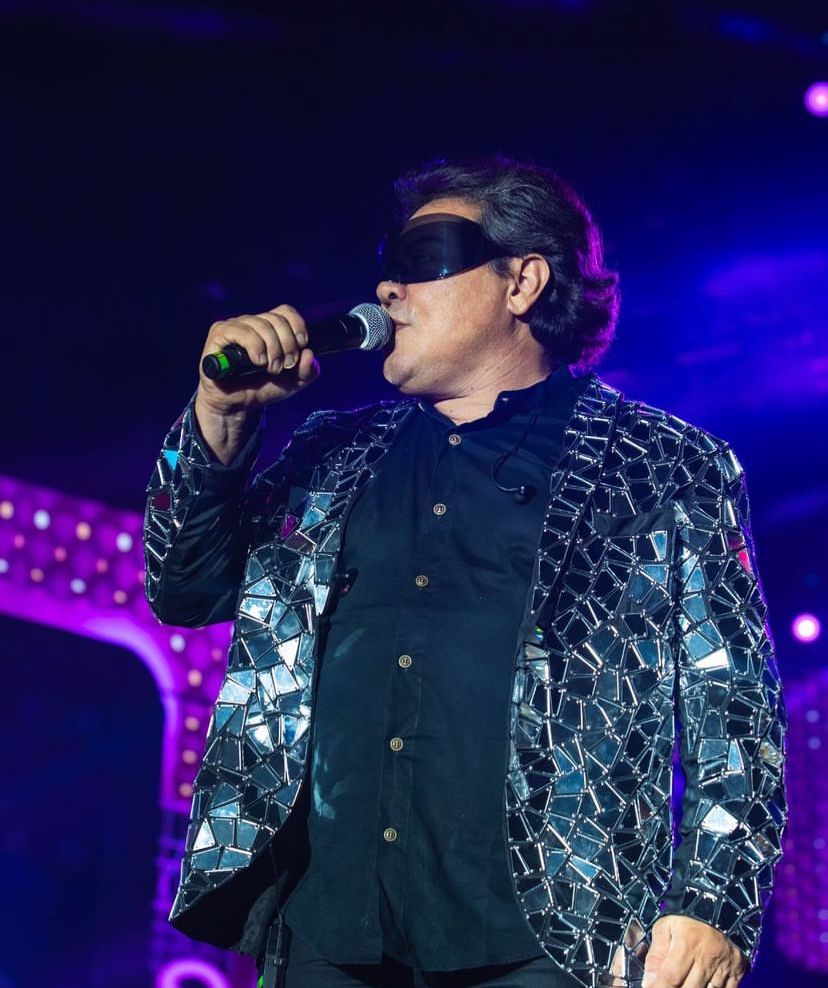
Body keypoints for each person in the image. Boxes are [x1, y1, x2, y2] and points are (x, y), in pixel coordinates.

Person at [143, 157, 786, 988]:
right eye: (388, 265)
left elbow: (731, 699)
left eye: (424, 260)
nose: (388, 289)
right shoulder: (331, 455)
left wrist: (712, 901)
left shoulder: (659, 464)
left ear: (522, 281)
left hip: (546, 940)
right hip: (330, 932)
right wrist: (220, 419)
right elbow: (184, 588)